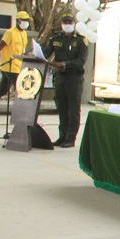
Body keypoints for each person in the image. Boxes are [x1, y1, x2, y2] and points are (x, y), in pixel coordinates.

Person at [42, 12, 88, 147]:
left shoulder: (80, 40)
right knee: (61, 107)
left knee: (73, 109)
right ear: (62, 24)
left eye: (70, 23)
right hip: (60, 78)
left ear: (74, 24)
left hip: (74, 77)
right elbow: (46, 53)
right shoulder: (56, 38)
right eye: (65, 23)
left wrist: (65, 64)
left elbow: (81, 60)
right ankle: (62, 136)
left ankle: (70, 138)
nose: (67, 25)